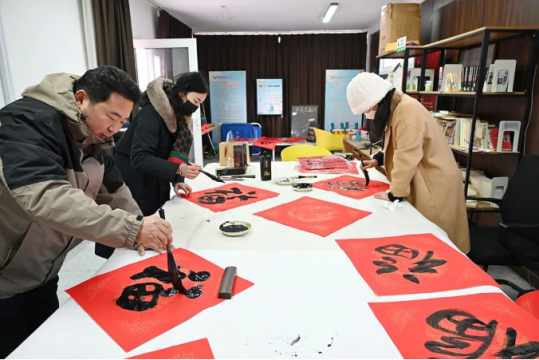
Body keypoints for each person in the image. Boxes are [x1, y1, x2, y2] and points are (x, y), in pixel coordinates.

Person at [0, 66, 174, 358]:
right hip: (5, 275)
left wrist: (143, 227)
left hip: (42, 269)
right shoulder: (25, 122)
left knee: (49, 346)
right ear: (81, 99)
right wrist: (131, 229)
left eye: (122, 121)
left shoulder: (95, 136)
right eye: (111, 116)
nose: (114, 128)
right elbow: (47, 196)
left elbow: (115, 191)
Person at [347, 72, 470, 253]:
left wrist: (394, 193)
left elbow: (406, 158)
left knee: (438, 245)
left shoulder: (406, 112)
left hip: (435, 182)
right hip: (429, 175)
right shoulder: (397, 107)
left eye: (365, 110)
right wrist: (378, 160)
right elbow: (397, 144)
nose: (367, 114)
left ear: (374, 102)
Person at [114, 72, 208, 216]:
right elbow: (139, 158)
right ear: (182, 93)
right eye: (196, 101)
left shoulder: (178, 115)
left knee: (159, 219)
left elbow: (171, 150)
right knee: (139, 226)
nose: (196, 107)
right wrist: (179, 169)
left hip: (156, 176)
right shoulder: (150, 114)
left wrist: (178, 180)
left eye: (200, 103)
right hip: (134, 180)